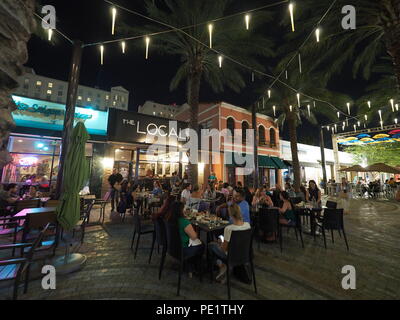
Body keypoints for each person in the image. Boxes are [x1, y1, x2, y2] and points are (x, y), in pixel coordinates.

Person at [208, 203, 251, 282]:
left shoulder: (229, 228)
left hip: (231, 256)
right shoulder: (248, 225)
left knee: (211, 245)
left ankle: (221, 265)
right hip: (245, 254)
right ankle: (224, 266)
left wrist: (220, 243)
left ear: (230, 214)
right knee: (219, 240)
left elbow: (224, 249)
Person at [169, 201, 204, 277]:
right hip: (183, 249)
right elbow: (194, 237)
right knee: (202, 245)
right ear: (180, 211)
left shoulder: (170, 220)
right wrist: (196, 230)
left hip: (172, 248)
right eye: (183, 208)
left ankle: (189, 265)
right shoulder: (184, 222)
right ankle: (193, 267)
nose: (185, 210)